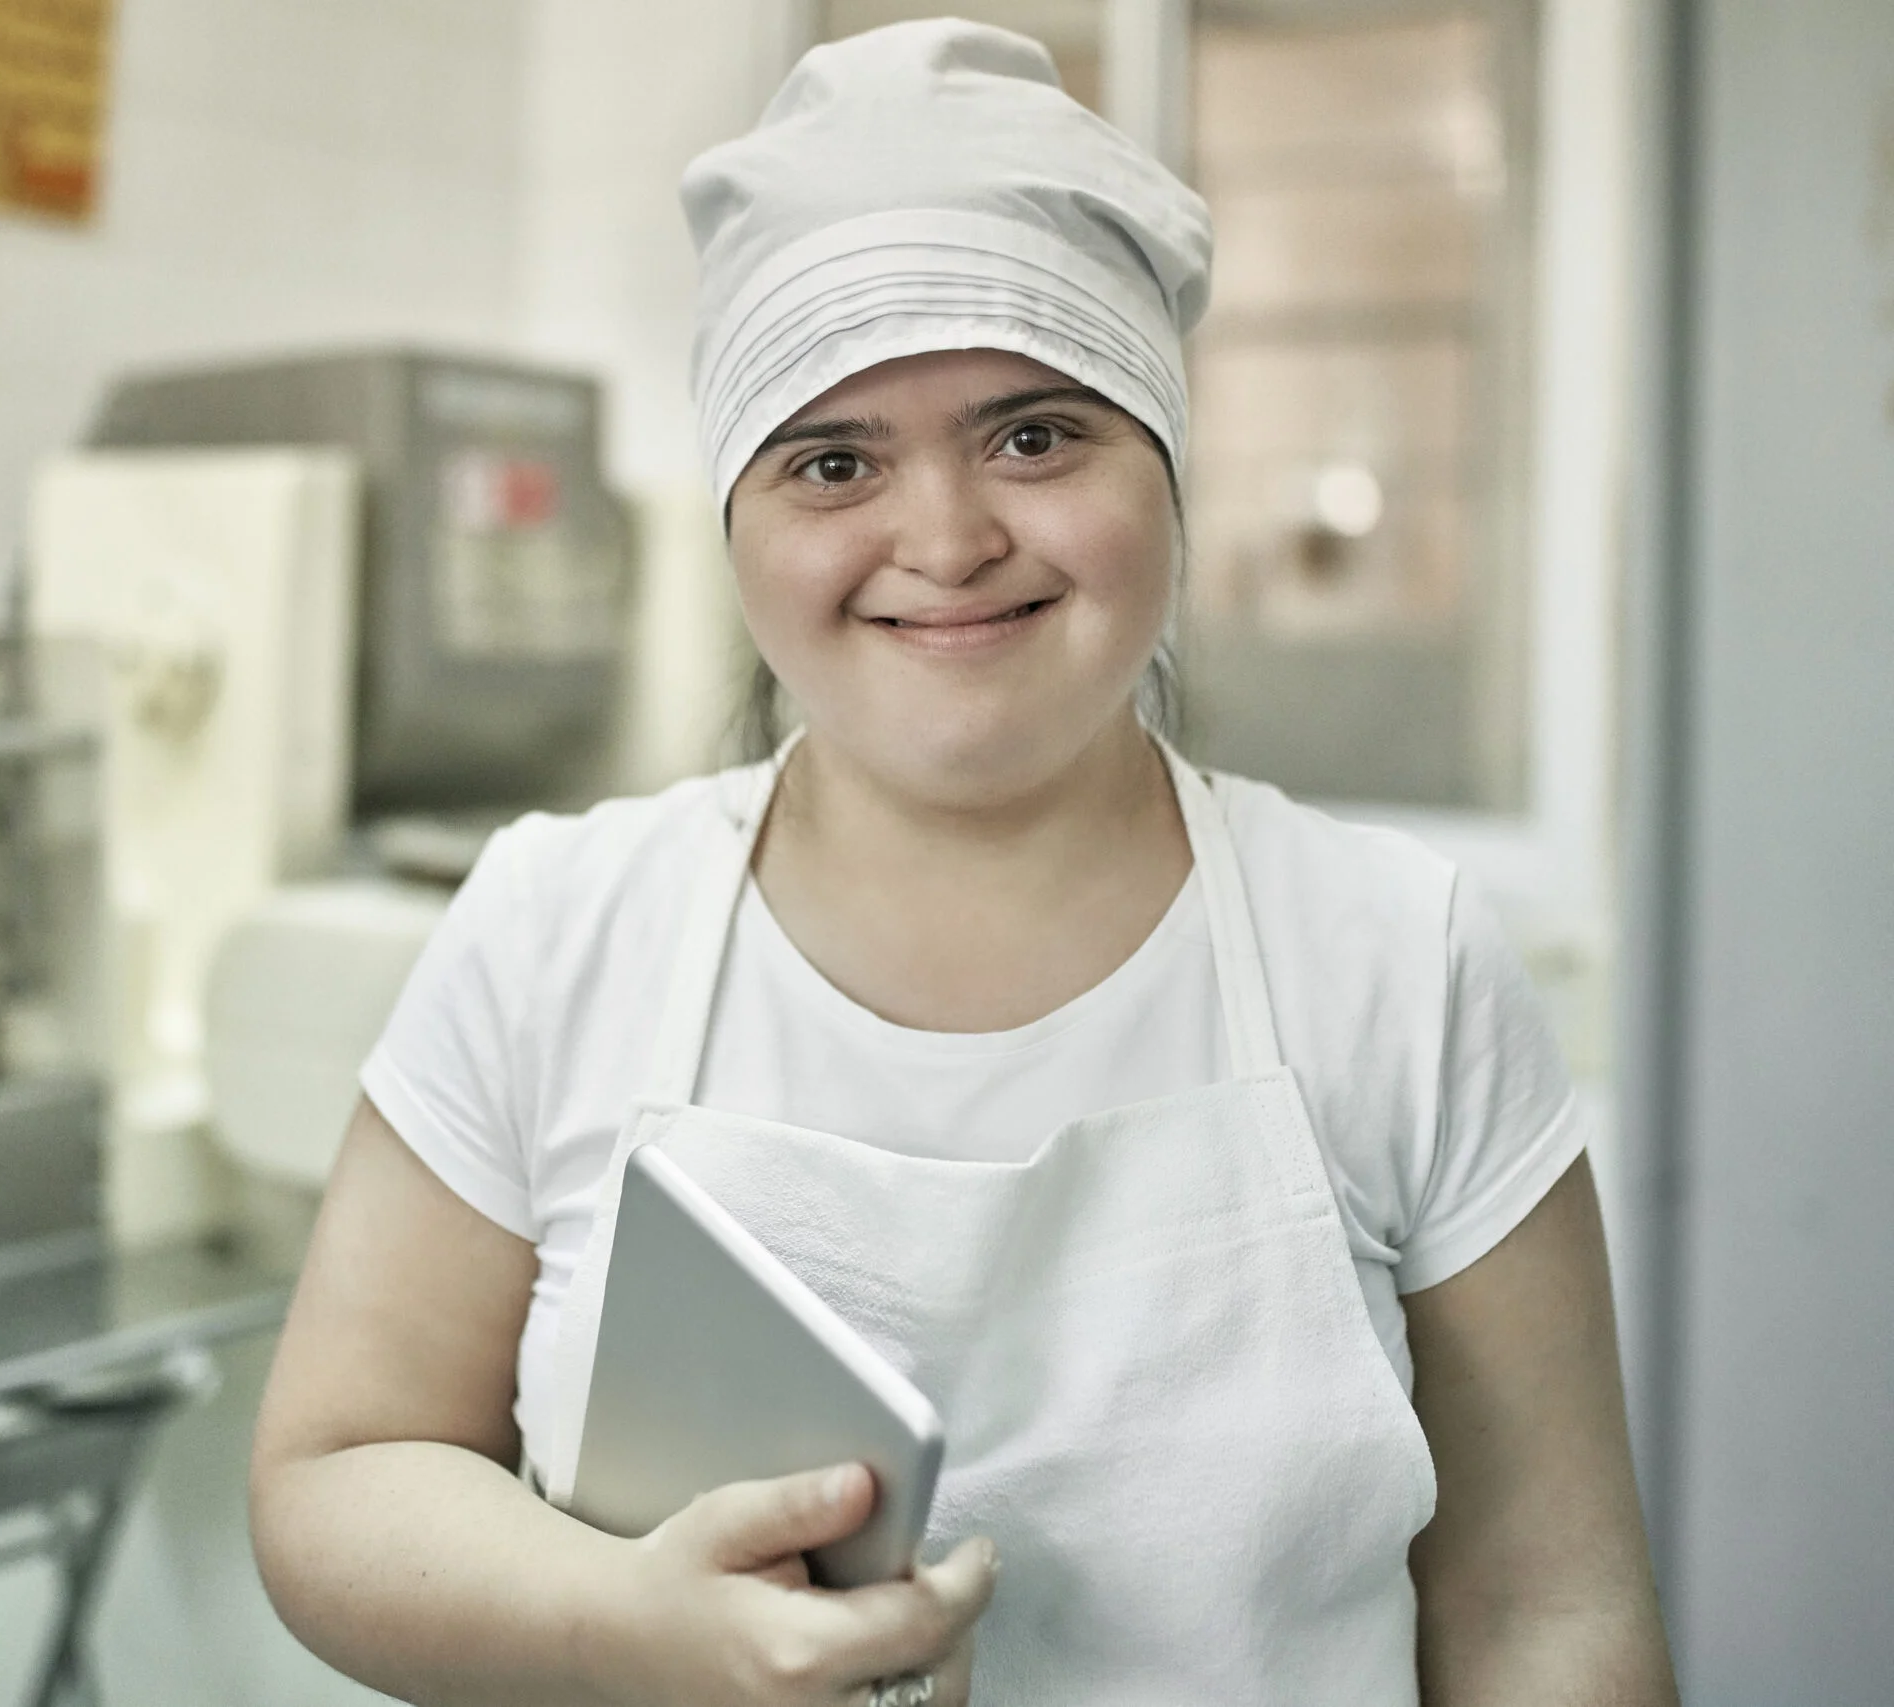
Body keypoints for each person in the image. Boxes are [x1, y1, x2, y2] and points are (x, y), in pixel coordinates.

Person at [249, 20, 1675, 1705]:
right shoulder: (555, 930)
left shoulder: (1397, 958)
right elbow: (337, 1470)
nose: (944, 540)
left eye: (1034, 435)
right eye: (833, 460)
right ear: (735, 520)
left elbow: (1544, 1605)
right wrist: (619, 1623)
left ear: (1165, 465)